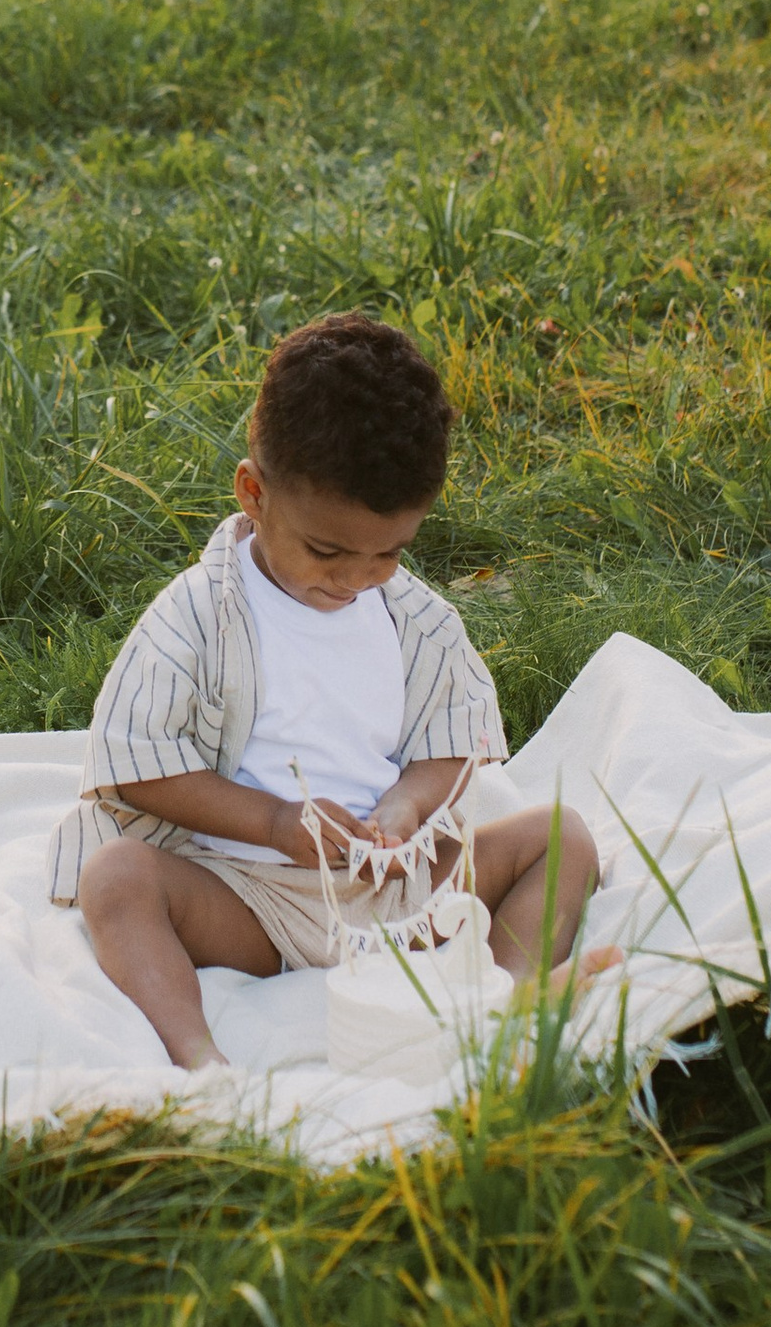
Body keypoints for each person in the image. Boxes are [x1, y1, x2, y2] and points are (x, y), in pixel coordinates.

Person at [50, 311, 609, 1070]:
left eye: (387, 554)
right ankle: (197, 1060)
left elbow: (452, 745)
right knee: (113, 879)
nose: (354, 578)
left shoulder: (417, 623)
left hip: (397, 890)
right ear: (254, 492)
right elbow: (136, 763)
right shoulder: (199, 616)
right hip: (251, 894)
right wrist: (277, 821)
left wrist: (405, 809)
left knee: (563, 834)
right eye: (326, 550)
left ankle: (503, 995)